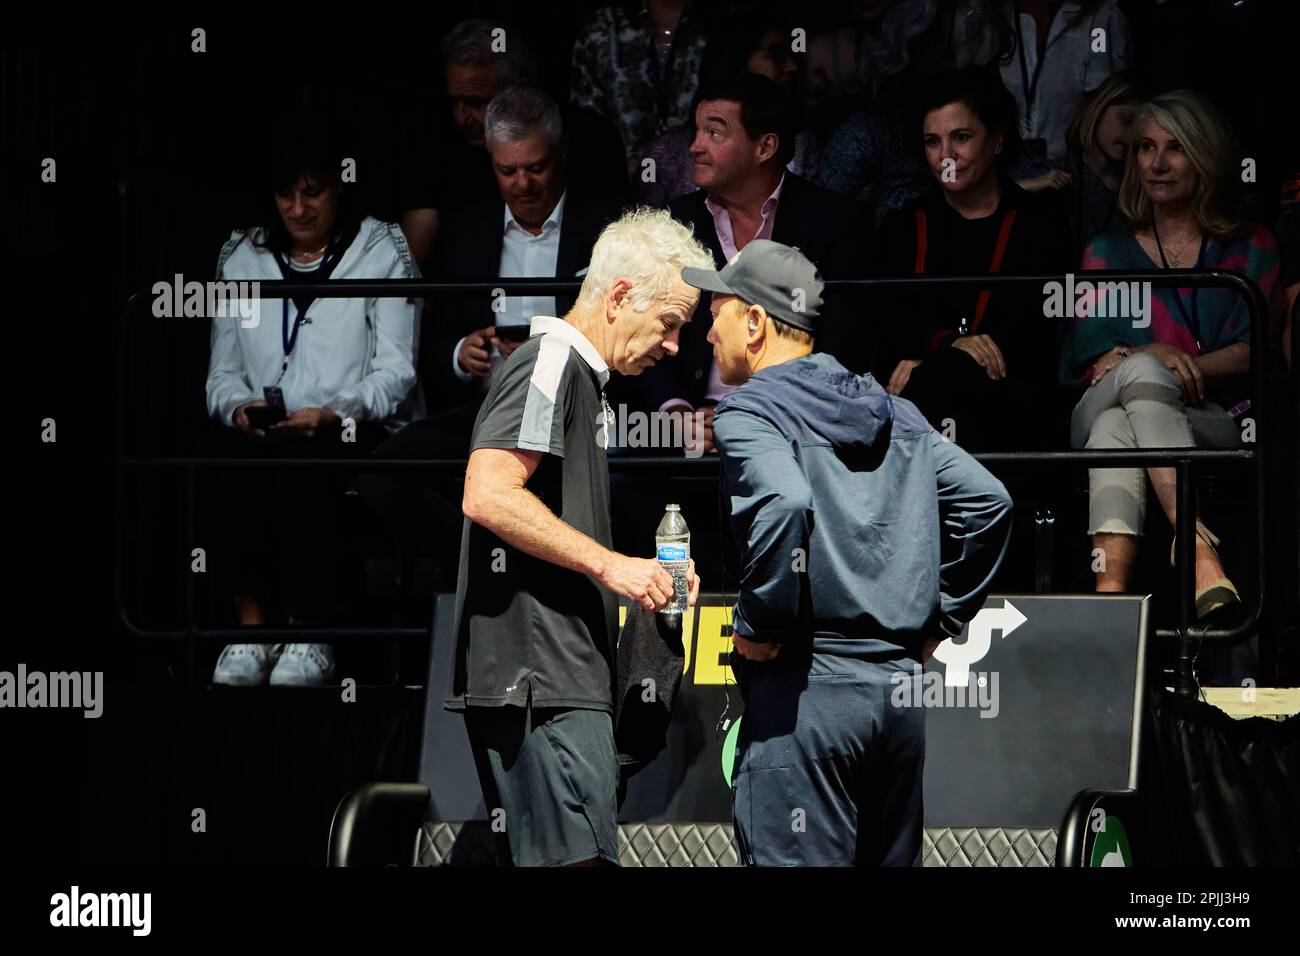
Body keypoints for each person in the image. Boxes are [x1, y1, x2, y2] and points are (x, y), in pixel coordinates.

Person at [683, 239, 1013, 866]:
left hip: (807, 695)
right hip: (899, 701)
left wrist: (762, 624)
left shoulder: (749, 412)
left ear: (755, 322)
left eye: (717, 310)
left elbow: (782, 502)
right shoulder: (895, 410)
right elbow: (990, 502)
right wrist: (940, 619)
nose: (706, 331)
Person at [445, 207, 711, 867]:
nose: (674, 346)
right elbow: (488, 491)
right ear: (620, 296)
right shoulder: (550, 363)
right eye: (670, 323)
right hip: (539, 677)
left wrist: (640, 576)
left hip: (558, 676)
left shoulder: (580, 380)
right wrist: (613, 565)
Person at [358, 85, 624, 594]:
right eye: (507, 170)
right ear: (490, 163)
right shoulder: (465, 229)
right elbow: (429, 336)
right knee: (382, 474)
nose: (522, 183)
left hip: (578, 418)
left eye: (536, 167)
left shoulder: (608, 225)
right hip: (486, 415)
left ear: (562, 153)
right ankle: (491, 572)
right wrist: (463, 353)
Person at [204, 120, 422, 686]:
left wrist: (337, 413)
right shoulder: (242, 254)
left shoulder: (381, 248)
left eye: (312, 193)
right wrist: (238, 409)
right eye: (285, 195)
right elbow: (221, 373)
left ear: (339, 187)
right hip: (266, 428)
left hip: (352, 426)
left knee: (309, 467)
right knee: (222, 462)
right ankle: (249, 633)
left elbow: (397, 371)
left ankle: (311, 631)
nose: (297, 210)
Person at [1060, 90, 1285, 616]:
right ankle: (1199, 550)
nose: (1156, 164)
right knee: (1136, 373)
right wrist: (1154, 357)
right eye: (1144, 148)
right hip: (1100, 398)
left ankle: (1108, 604)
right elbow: (1097, 363)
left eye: (1175, 148)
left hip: (1214, 418)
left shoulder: (1252, 245)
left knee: (1116, 431)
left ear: (1205, 156)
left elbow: (1257, 351)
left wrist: (1174, 366)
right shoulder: (1105, 250)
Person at [642, 72, 871, 442]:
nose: (694, 147)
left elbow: (845, 343)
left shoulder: (835, 222)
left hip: (800, 428)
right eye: (696, 132)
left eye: (714, 133)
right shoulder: (673, 223)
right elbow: (647, 329)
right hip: (693, 429)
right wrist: (676, 412)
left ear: (764, 148)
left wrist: (762, 416)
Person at [875, 67, 1074, 451]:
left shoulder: (1039, 223)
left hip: (1010, 398)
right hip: (920, 399)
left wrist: (938, 356)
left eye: (961, 138)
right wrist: (949, 345)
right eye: (933, 142)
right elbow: (888, 322)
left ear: (997, 140)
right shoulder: (904, 225)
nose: (946, 156)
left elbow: (1033, 329)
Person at [396, 19, 627, 269]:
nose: (461, 118)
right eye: (455, 102)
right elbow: (408, 271)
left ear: (519, 89)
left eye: (477, 102)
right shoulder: (439, 144)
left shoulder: (592, 140)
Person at [637, 12, 819, 208]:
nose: (790, 67)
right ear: (735, 59)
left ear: (768, 147)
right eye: (776, 55)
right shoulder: (664, 156)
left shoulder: (804, 144)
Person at [570, 0, 709, 176]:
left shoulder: (718, 25)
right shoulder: (601, 29)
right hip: (618, 185)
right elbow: (585, 126)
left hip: (704, 184)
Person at [996, 0, 1132, 170]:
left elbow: (1107, 101)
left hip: (1073, 172)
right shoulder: (995, 17)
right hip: (1002, 169)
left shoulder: (1100, 19)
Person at [1063, 69, 1143, 255]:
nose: (1131, 136)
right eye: (1126, 119)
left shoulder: (1142, 191)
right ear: (1099, 106)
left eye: (1140, 130)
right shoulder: (1055, 173)